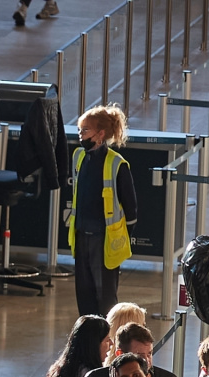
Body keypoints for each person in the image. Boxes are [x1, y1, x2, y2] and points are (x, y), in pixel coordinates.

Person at [68, 104, 138, 315]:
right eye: (80, 130)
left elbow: (131, 209)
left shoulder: (117, 164)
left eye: (85, 130)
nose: (81, 135)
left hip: (104, 239)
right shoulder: (79, 157)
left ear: (100, 134)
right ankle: (87, 331)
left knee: (105, 297)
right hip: (82, 235)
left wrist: (122, 237)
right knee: (84, 293)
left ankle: (107, 333)